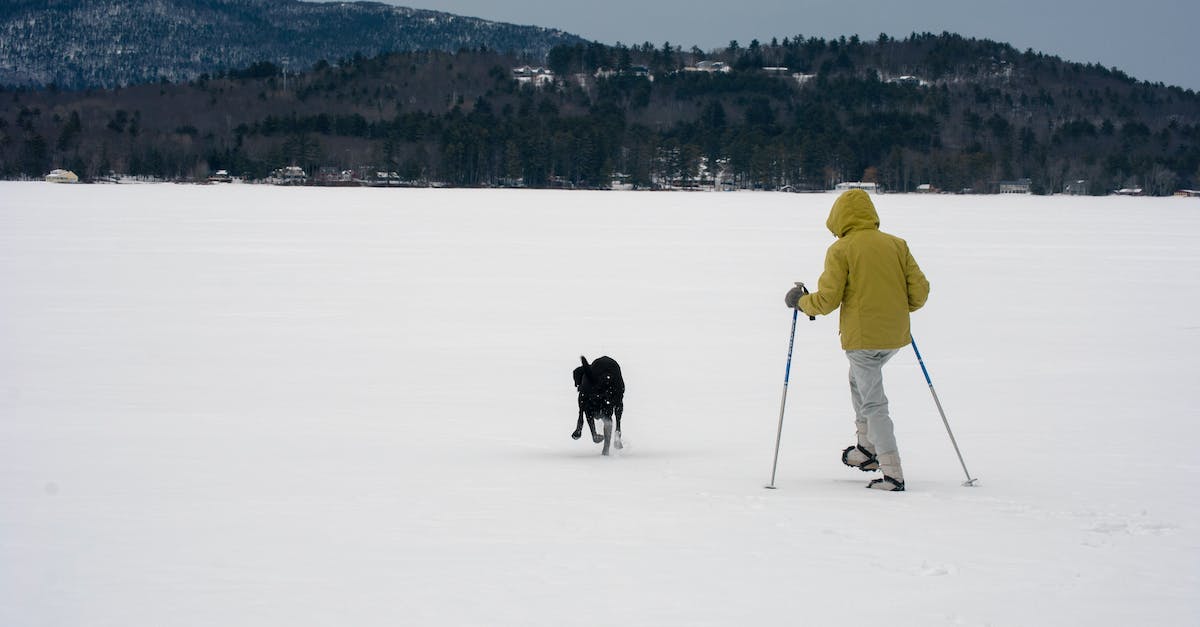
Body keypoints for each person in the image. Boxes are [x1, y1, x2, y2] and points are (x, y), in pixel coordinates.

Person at [784, 189, 929, 491]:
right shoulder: (896, 245)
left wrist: (800, 302)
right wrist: (894, 310)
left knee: (874, 401)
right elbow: (919, 292)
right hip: (894, 336)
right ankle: (866, 449)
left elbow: (827, 300)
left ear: (839, 218)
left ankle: (892, 471)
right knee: (858, 383)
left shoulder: (842, 249)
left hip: (862, 339)